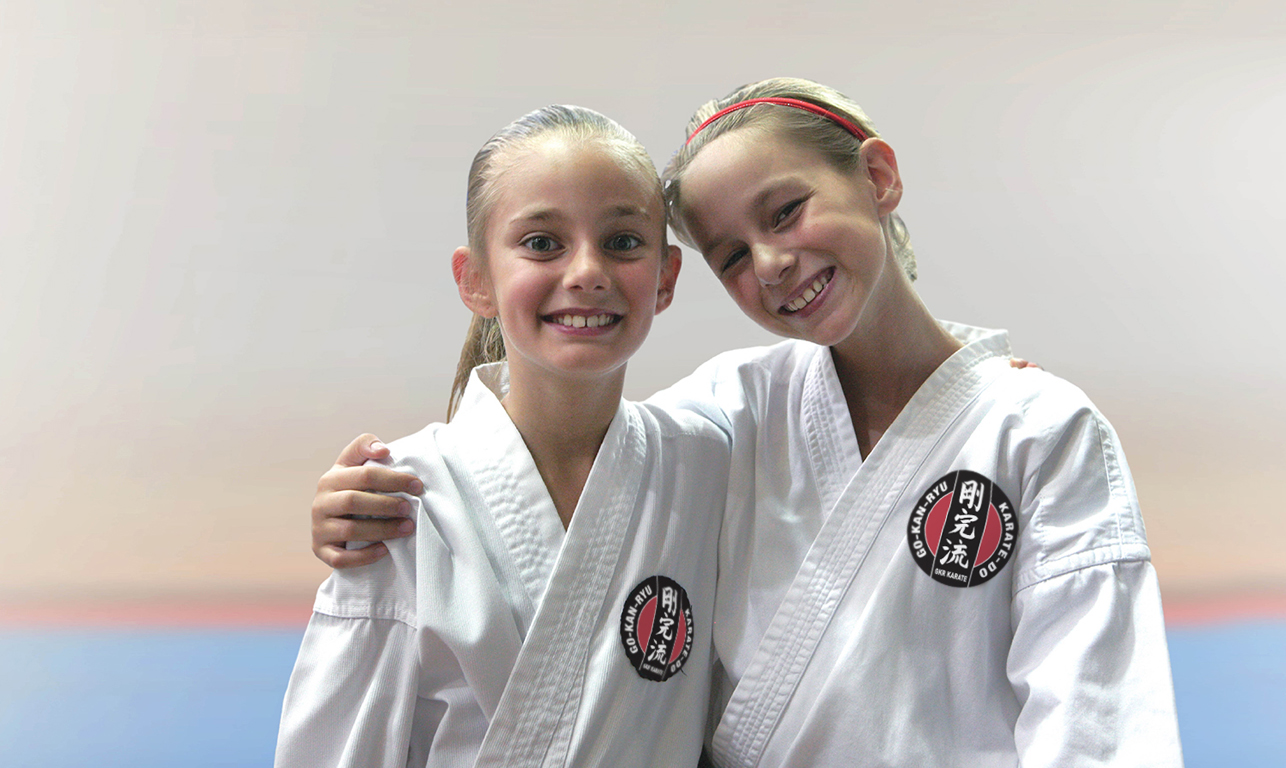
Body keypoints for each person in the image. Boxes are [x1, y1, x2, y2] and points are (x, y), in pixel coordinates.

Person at [309, 79, 1184, 767]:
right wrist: (357, 502)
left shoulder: (1035, 429)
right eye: (731, 253)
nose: (770, 262)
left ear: (876, 179)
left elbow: (1096, 717)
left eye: (786, 211)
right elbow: (570, 455)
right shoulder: (726, 417)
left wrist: (1000, 402)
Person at [275, 105, 730, 768]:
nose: (587, 272)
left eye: (624, 242)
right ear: (476, 281)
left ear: (665, 278)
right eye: (543, 243)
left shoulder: (706, 467)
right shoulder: (399, 503)